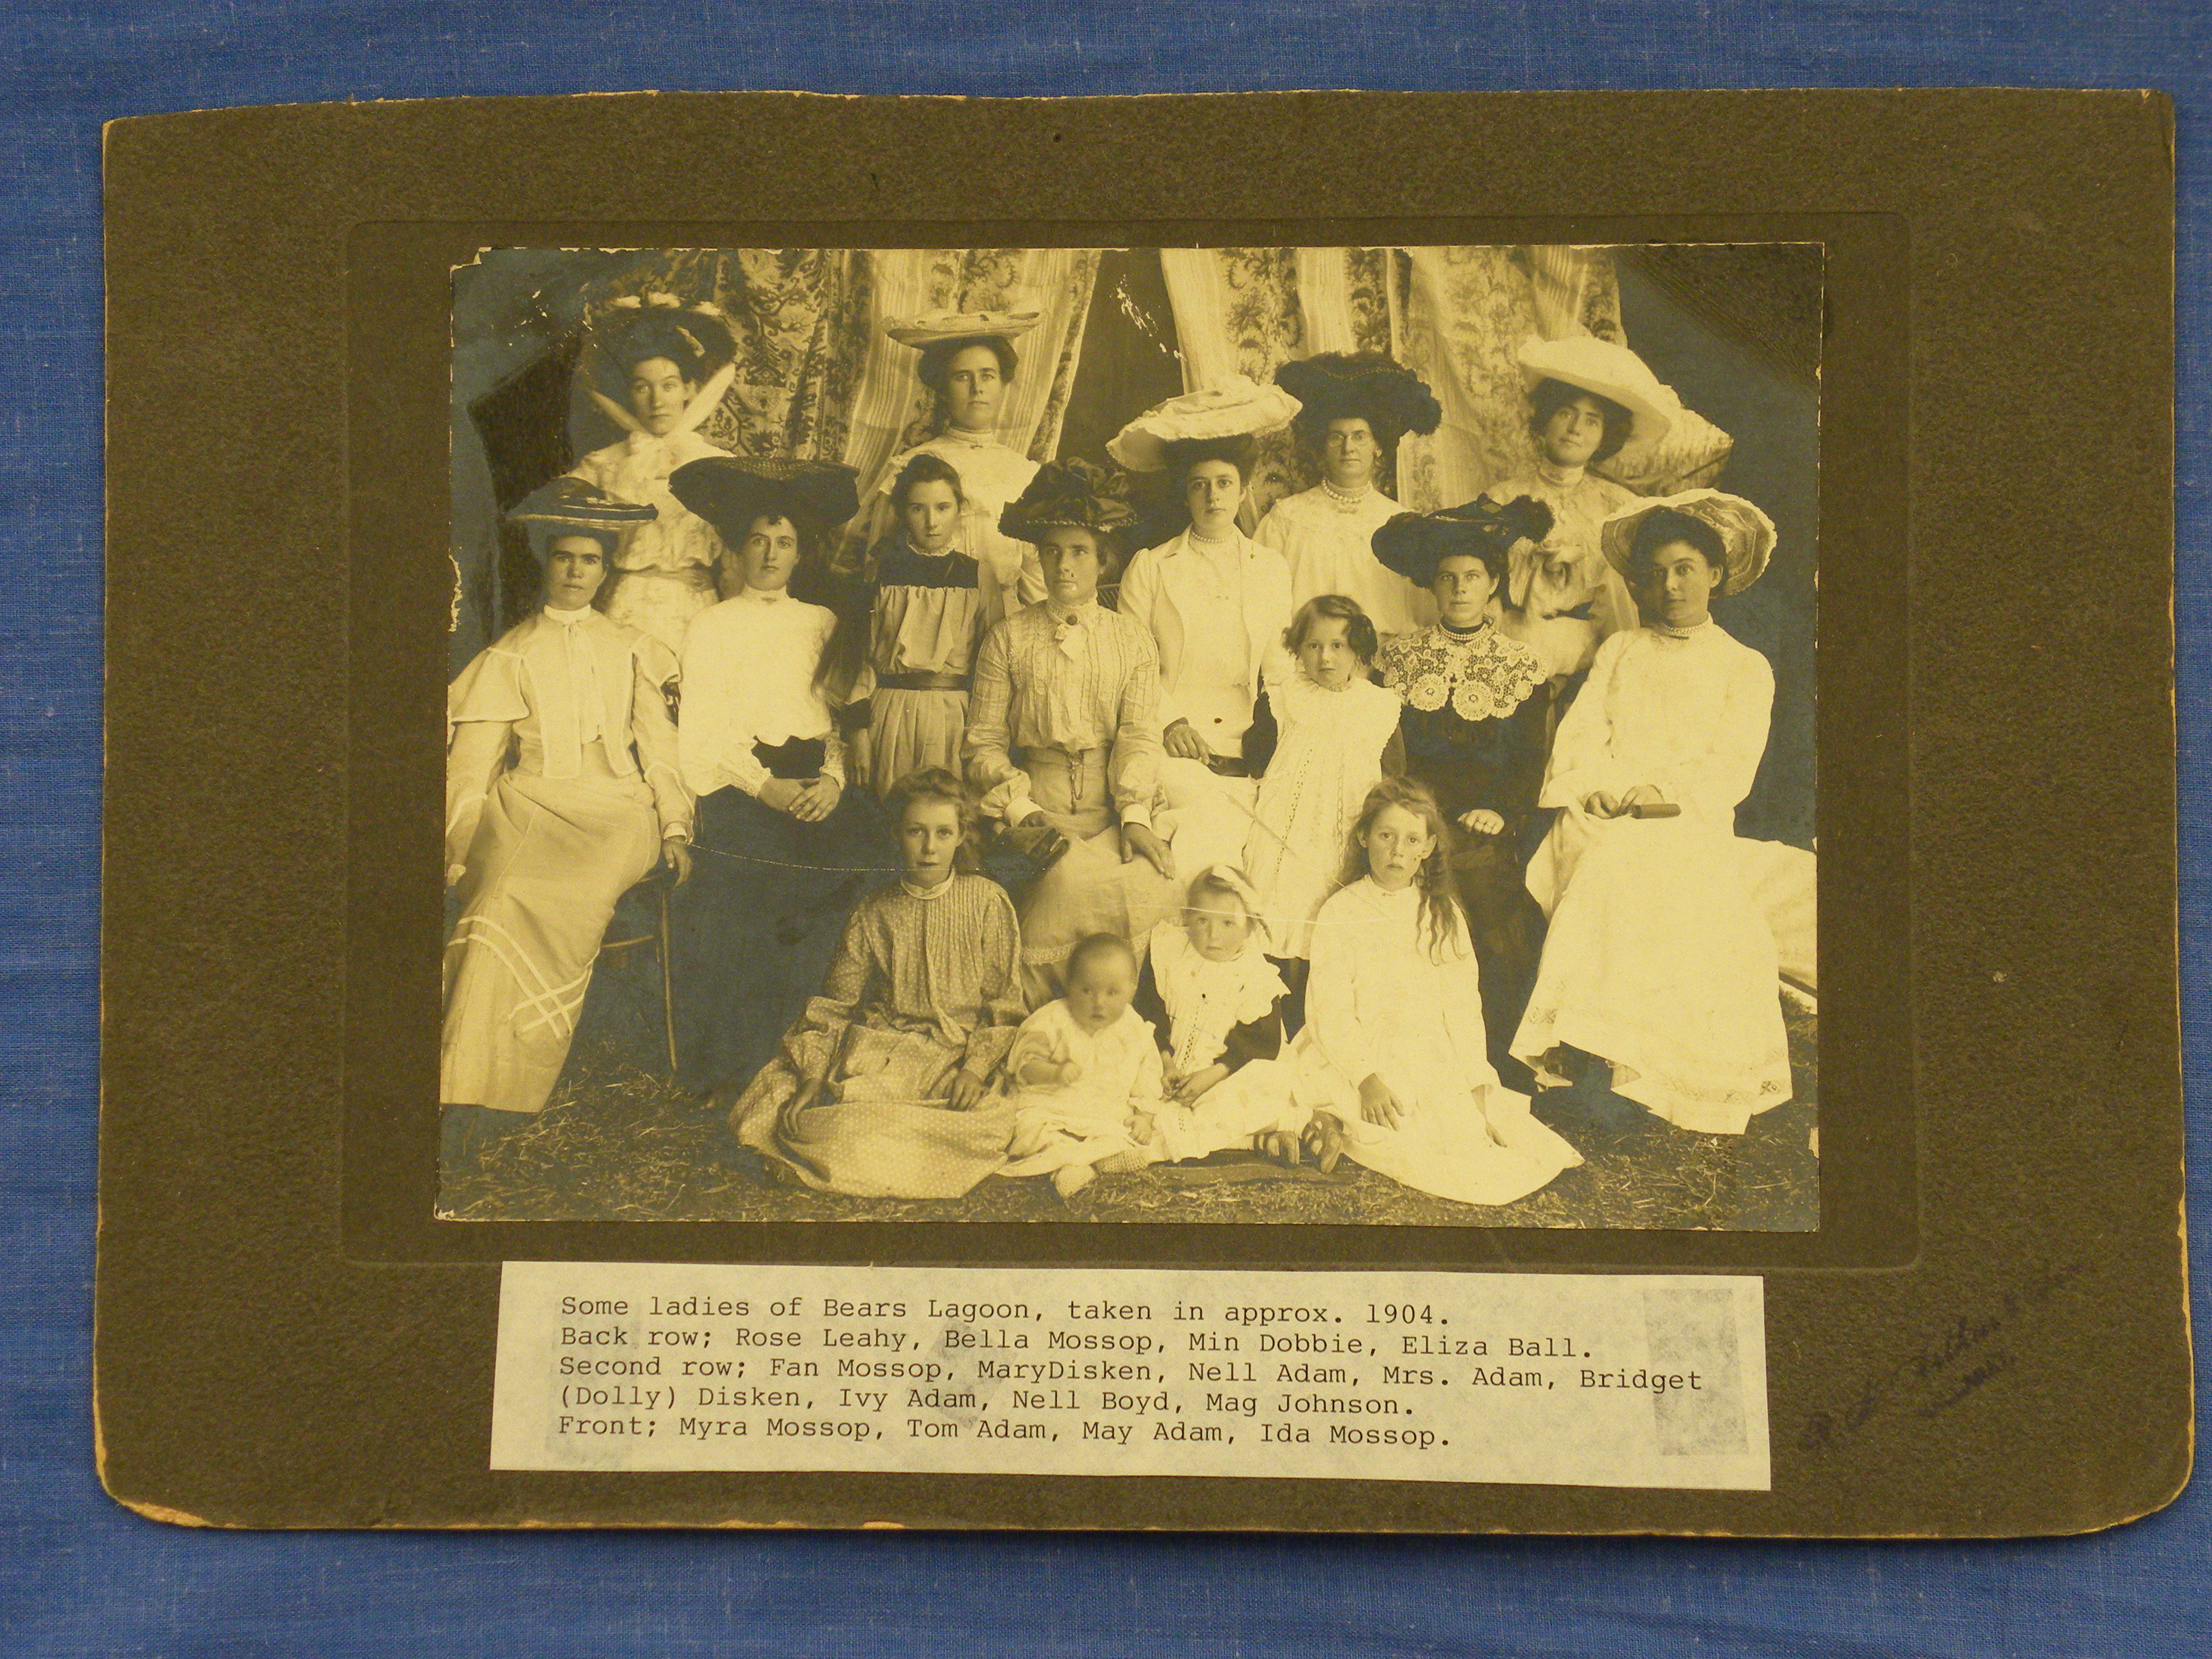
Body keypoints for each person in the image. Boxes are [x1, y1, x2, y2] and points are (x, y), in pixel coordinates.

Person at [1512, 490, 1793, 1136]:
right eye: (1659, 571)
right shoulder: (1621, 651)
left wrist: (1655, 793)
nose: (1671, 585)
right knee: (1607, 856)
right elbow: (1581, 738)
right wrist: (1603, 789)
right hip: (1601, 812)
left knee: (1641, 871)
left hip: (1688, 818)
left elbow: (1731, 768)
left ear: (1715, 575)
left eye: (1686, 568)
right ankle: (1595, 1058)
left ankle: (1631, 1070)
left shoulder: (1743, 667)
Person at [440, 479, 694, 1168]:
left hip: (617, 810)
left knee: (574, 894)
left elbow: (662, 754)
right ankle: (465, 1092)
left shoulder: (636, 648)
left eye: (590, 560)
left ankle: (514, 1083)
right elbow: (470, 768)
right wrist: (460, 850)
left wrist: (673, 827)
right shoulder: (511, 656)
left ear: (607, 569)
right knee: (497, 898)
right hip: (532, 804)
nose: (577, 571)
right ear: (547, 564)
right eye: (565, 558)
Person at [663, 455, 894, 1093]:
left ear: (800, 555)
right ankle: (754, 1056)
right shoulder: (710, 625)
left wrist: (833, 782)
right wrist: (765, 787)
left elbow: (835, 721)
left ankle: (831, 1040)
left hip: (813, 783)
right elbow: (704, 734)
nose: (770, 554)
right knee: (756, 887)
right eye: (759, 541)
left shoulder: (819, 623)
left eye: (784, 542)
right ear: (738, 549)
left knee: (870, 861)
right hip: (745, 788)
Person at [729, 768, 1027, 1197]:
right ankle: (855, 1145)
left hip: (955, 1053)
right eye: (916, 832)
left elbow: (1004, 1003)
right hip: (888, 1047)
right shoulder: (874, 910)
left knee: (990, 1120)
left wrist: (974, 1069)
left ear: (962, 836)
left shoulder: (986, 900)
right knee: (781, 1101)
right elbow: (836, 1003)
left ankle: (856, 1151)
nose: (929, 848)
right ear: (897, 834)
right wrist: (814, 1077)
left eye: (943, 833)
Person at [1291, 778, 1583, 1207]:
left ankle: (1350, 1118)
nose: (1397, 851)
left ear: (1428, 848)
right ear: (1363, 838)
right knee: (1400, 1127)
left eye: (1411, 840)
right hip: (1359, 1052)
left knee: (1470, 1128)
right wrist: (1367, 1078)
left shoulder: (1441, 913)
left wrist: (1476, 1079)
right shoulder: (1342, 911)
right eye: (1385, 836)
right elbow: (1329, 1010)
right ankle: (1328, 1119)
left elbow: (1463, 1008)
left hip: (1428, 1049)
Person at [965, 460, 1181, 1002]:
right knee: (1064, 883)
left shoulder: (1131, 640)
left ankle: (1122, 1023)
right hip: (1037, 816)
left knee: (1155, 881)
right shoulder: (1008, 638)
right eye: (1052, 551)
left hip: (1110, 812)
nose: (1064, 565)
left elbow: (1138, 735)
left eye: (1079, 551)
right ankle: (1038, 1019)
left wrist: (1133, 815)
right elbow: (983, 744)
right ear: (1037, 557)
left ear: (1102, 557)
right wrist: (1021, 811)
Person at [1371, 497, 1557, 1081]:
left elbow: (1531, 761)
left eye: (1471, 577)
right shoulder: (1399, 659)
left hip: (1482, 820)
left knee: (1481, 881)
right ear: (1432, 586)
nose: (1458, 589)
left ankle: (1489, 1054)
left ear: (1493, 583)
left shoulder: (1519, 667)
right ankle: (1404, 1050)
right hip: (1410, 813)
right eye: (1448, 578)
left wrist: (1502, 812)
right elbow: (1381, 746)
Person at [1110, 375, 1301, 877]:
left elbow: (1280, 668)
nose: (1213, 497)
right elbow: (1131, 665)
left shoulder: (1270, 566)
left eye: (1223, 484)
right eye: (1199, 486)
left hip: (1249, 742)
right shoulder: (1151, 566)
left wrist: (1280, 734)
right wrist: (1169, 721)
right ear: (1186, 496)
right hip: (1173, 744)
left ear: (1242, 492)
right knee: (1206, 838)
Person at [1480, 335, 1686, 685]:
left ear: (1606, 434)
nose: (1576, 429)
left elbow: (1629, 601)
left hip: (1594, 659)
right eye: (1566, 413)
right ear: (1546, 419)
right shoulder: (1503, 496)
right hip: (1507, 650)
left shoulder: (1620, 506)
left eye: (1592, 421)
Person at [565, 296, 738, 655]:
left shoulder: (720, 465)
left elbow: (739, 552)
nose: (657, 401)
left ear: (690, 389)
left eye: (669, 385)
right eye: (643, 388)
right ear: (629, 394)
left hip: (697, 608)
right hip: (623, 610)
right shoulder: (601, 466)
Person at [1241, 595, 1402, 978]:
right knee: (1275, 900)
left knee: (1329, 911)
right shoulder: (1284, 696)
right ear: (1298, 649)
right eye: (1313, 646)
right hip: (1286, 822)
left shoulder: (1377, 705)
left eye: (1338, 646)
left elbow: (1393, 772)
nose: (1325, 658)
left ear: (1358, 651)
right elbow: (1256, 757)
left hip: (1343, 824)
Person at [857, 305, 1048, 623]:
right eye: (963, 377)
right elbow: (879, 569)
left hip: (1006, 622)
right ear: (943, 389)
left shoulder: (1026, 474)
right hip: (926, 622)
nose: (977, 389)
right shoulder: (911, 466)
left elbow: (1036, 579)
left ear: (1002, 385)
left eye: (988, 376)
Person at [1132, 867, 1327, 1168]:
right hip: (1163, 1065)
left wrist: (1212, 1076)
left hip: (1224, 1071)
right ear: (1187, 917)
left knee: (1253, 1090)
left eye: (1228, 923)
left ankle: (1265, 1133)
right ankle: (1256, 1141)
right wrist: (1166, 1062)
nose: (1213, 936)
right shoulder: (1169, 953)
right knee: (1128, 1083)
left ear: (1249, 927)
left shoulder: (1254, 974)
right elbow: (1149, 1012)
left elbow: (1262, 1041)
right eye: (1202, 920)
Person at [1256, 351, 1445, 644]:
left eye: (1360, 436)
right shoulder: (1288, 520)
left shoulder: (1402, 524)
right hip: (1304, 670)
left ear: (1377, 447)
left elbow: (1423, 614)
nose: (1349, 448)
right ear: (1323, 446)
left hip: (1381, 671)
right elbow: (1262, 607)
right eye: (1337, 437)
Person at [846, 452, 992, 797]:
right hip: (890, 713)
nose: (931, 521)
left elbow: (992, 666)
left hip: (955, 718)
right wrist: (858, 734)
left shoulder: (979, 576)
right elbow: (855, 661)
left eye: (943, 508)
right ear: (902, 513)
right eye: (918, 509)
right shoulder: (879, 572)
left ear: (960, 509)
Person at [1000, 933, 1168, 1199]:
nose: (1099, 1003)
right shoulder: (1053, 1019)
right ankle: (1070, 1167)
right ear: (1069, 985)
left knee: (1126, 1132)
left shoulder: (1134, 1029)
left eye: (1113, 993)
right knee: (1033, 1129)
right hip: (1052, 1105)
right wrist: (1054, 1072)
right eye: (1087, 991)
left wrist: (1144, 1117)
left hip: (1104, 1110)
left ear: (1132, 990)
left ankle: (1099, 1158)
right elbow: (1024, 1065)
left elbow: (1147, 1077)